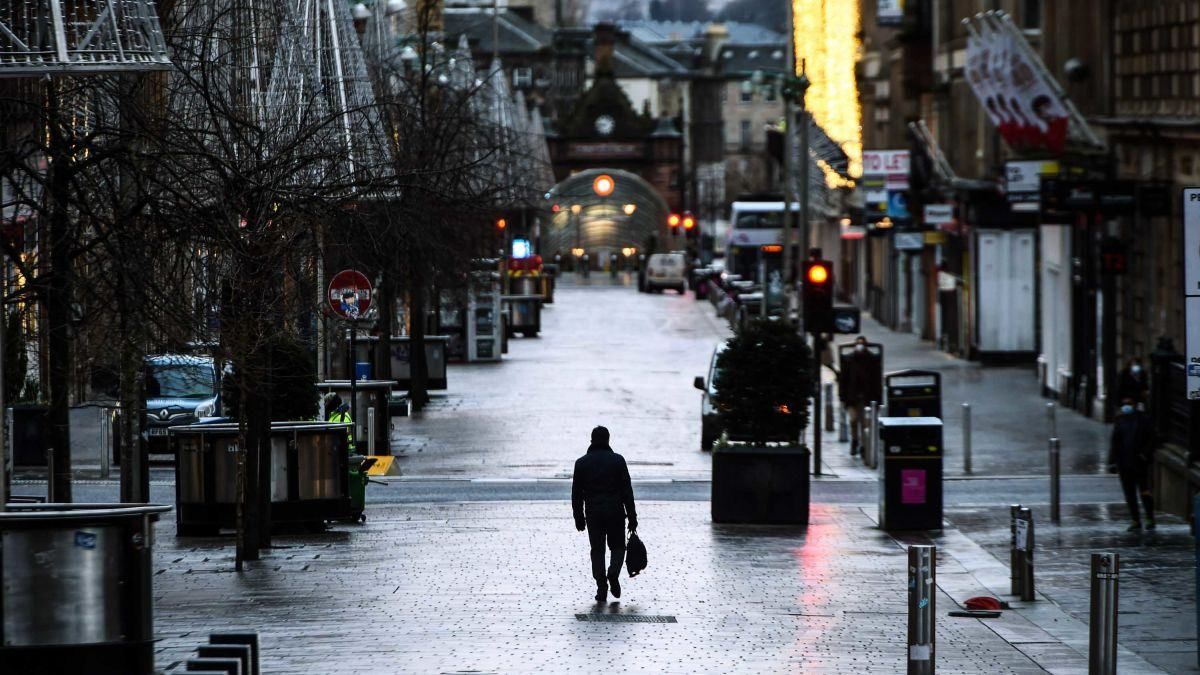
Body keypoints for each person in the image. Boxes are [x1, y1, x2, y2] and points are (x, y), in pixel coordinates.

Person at [572, 426, 637, 603]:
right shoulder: (618, 461)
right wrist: (632, 516)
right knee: (618, 547)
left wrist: (579, 517)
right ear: (608, 440)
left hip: (593, 514)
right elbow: (627, 491)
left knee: (597, 550)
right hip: (616, 512)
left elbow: (576, 494)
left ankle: (601, 586)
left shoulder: (581, 463)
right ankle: (613, 572)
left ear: (591, 440)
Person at [1108, 398, 1155, 531]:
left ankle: (1150, 518)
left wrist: (1144, 454)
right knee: (1129, 494)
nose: (1126, 407)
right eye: (1124, 404)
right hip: (1124, 463)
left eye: (1128, 404)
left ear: (1134, 405)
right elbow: (1115, 443)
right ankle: (1135, 520)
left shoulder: (1143, 420)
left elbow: (1151, 438)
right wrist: (1112, 462)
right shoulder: (1120, 420)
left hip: (1139, 463)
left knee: (1144, 491)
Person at [839, 336, 882, 456]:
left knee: (865, 423)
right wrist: (842, 396)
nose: (860, 346)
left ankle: (864, 445)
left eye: (862, 344)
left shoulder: (872, 360)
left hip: (867, 398)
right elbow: (843, 380)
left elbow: (877, 381)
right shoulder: (848, 360)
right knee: (853, 420)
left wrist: (878, 399)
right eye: (858, 344)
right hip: (852, 397)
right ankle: (855, 441)